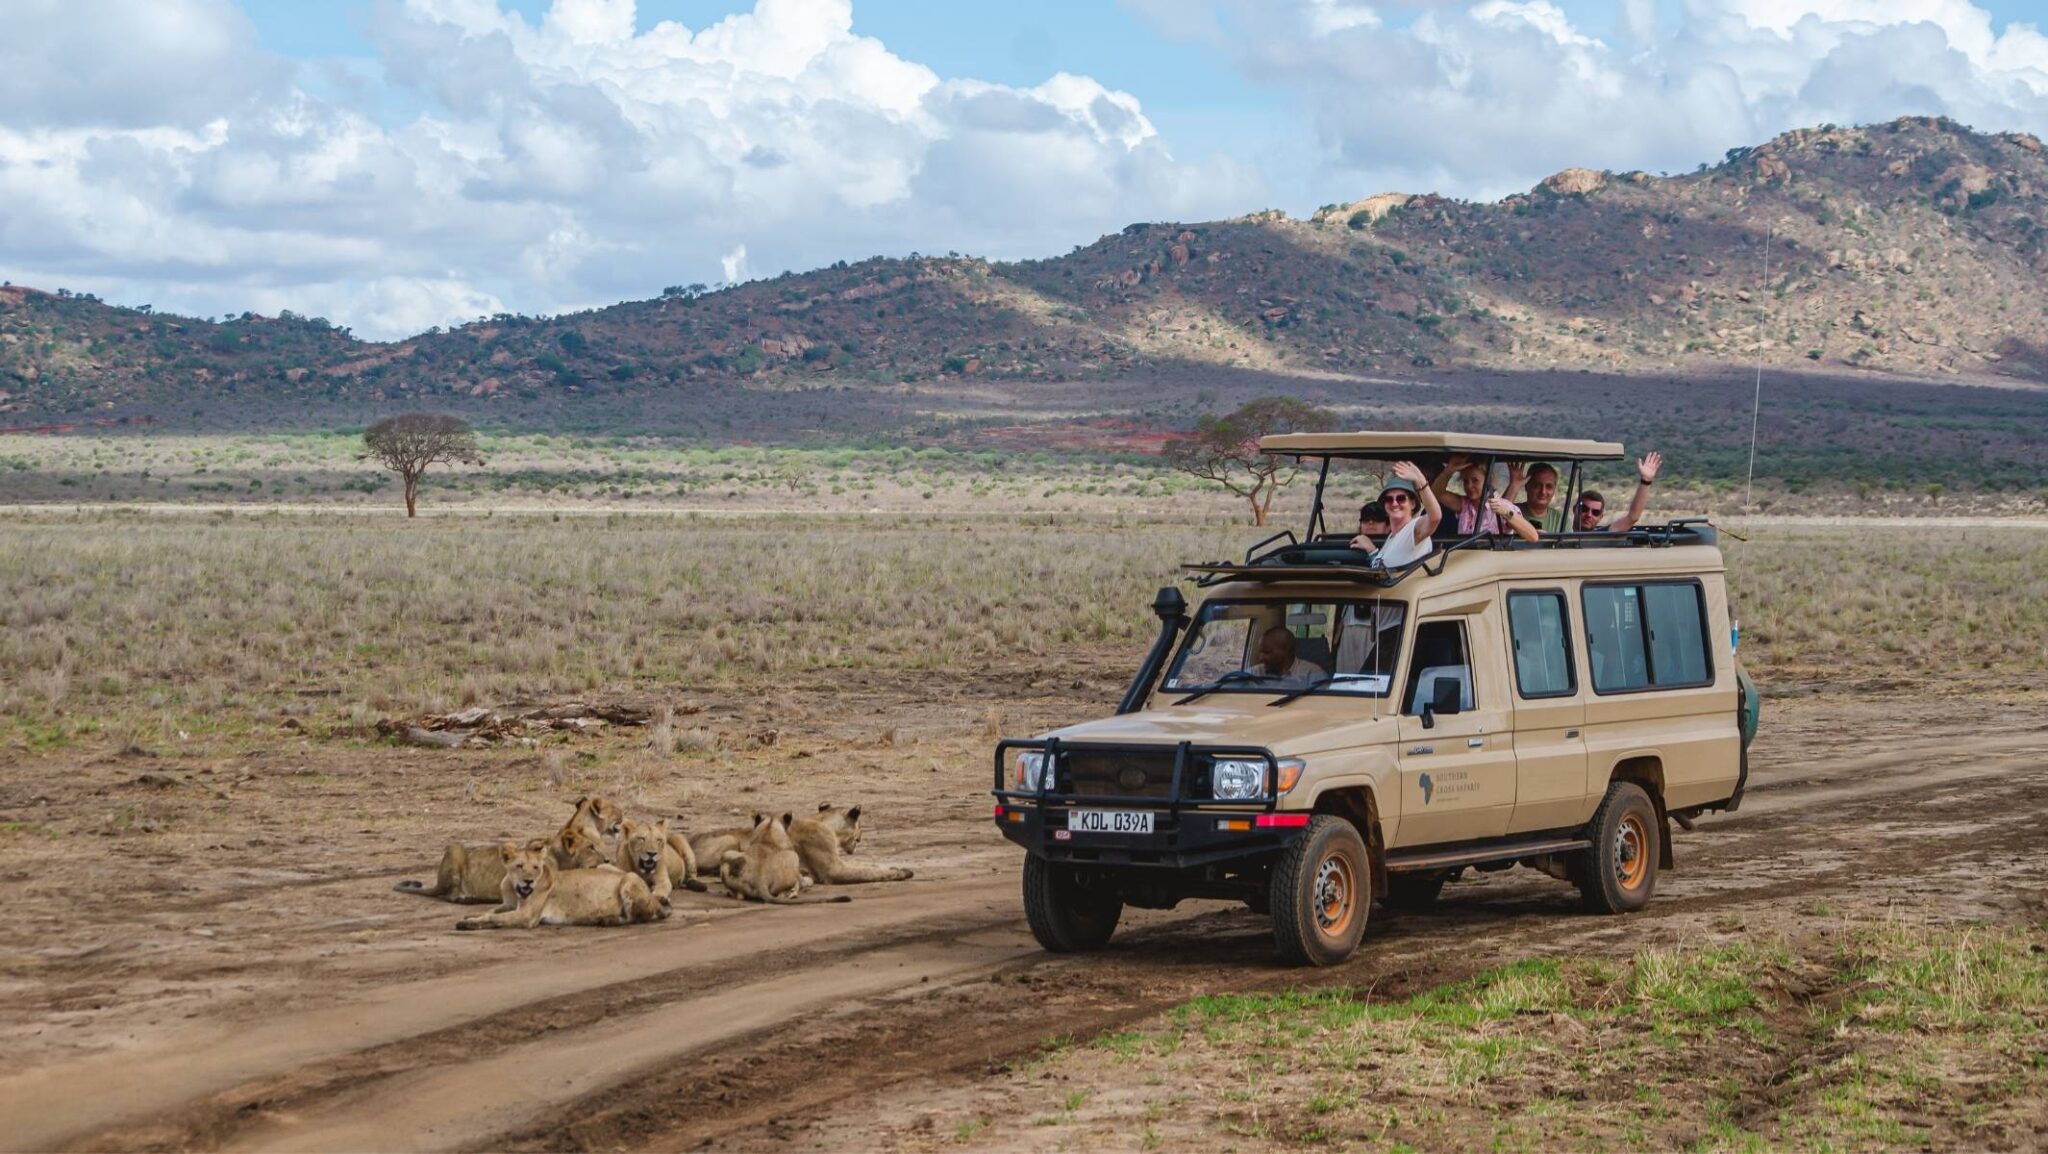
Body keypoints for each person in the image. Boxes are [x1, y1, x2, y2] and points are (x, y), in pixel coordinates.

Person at [1354, 461, 1441, 568]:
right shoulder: (1391, 538)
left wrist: (1421, 482)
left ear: (1412, 504)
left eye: (1401, 498)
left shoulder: (1413, 530)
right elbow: (1384, 571)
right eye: (1389, 499)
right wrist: (1372, 552)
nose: (1394, 503)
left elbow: (1435, 517)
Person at [1574, 452, 1663, 533]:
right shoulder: (1561, 532)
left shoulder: (1601, 536)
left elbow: (1632, 517)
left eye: (1595, 512)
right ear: (1575, 509)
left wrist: (1646, 480)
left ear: (1601, 517)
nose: (1589, 515)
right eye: (1584, 509)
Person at [1253, 625, 1323, 687]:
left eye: (1267, 652)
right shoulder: (1253, 674)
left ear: (1288, 651)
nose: (1260, 658)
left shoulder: (1313, 674)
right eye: (1260, 652)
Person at [1516, 462, 1567, 533]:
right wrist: (1514, 485)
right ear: (1526, 486)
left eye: (1549, 486)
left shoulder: (1562, 520)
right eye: (1537, 485)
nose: (1543, 491)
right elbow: (1497, 519)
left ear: (1554, 489)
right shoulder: (1512, 512)